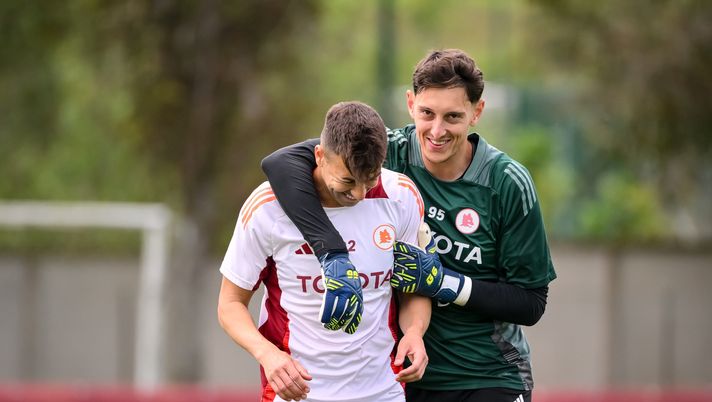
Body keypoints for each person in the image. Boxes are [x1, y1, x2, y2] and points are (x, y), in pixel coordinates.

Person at [260, 49, 557, 402]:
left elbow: (531, 303)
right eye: (427, 113)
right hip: (401, 376)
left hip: (487, 373)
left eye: (453, 117)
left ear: (477, 112)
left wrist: (444, 283)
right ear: (410, 102)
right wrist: (332, 254)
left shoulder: (507, 183)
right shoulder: (388, 153)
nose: (437, 130)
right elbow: (282, 163)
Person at [217, 101, 431, 402]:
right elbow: (229, 304)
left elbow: (412, 287)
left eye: (370, 181)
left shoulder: (402, 197)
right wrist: (267, 354)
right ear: (320, 156)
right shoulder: (267, 207)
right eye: (347, 180)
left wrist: (415, 331)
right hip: (297, 394)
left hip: (384, 391)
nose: (358, 194)